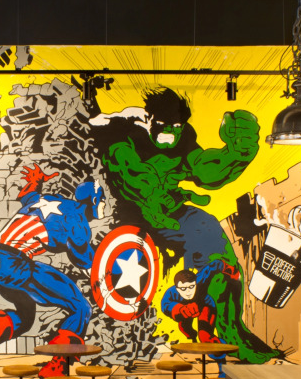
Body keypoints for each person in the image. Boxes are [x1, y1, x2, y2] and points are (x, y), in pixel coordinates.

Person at [91, 86, 280, 363]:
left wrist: (236, 153)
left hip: (169, 212)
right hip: (126, 215)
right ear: (149, 119)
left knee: (211, 235)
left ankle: (226, 332)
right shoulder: (124, 131)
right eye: (164, 125)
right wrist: (157, 197)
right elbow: (132, 175)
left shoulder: (184, 137)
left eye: (177, 127)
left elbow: (202, 168)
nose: (171, 133)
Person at [0, 163, 105, 378]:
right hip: (15, 263)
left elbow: (28, 195)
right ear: (94, 200)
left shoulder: (50, 200)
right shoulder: (77, 221)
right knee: (81, 307)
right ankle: (57, 367)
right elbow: (86, 261)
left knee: (25, 319)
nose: (105, 205)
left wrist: (37, 180)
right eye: (103, 200)